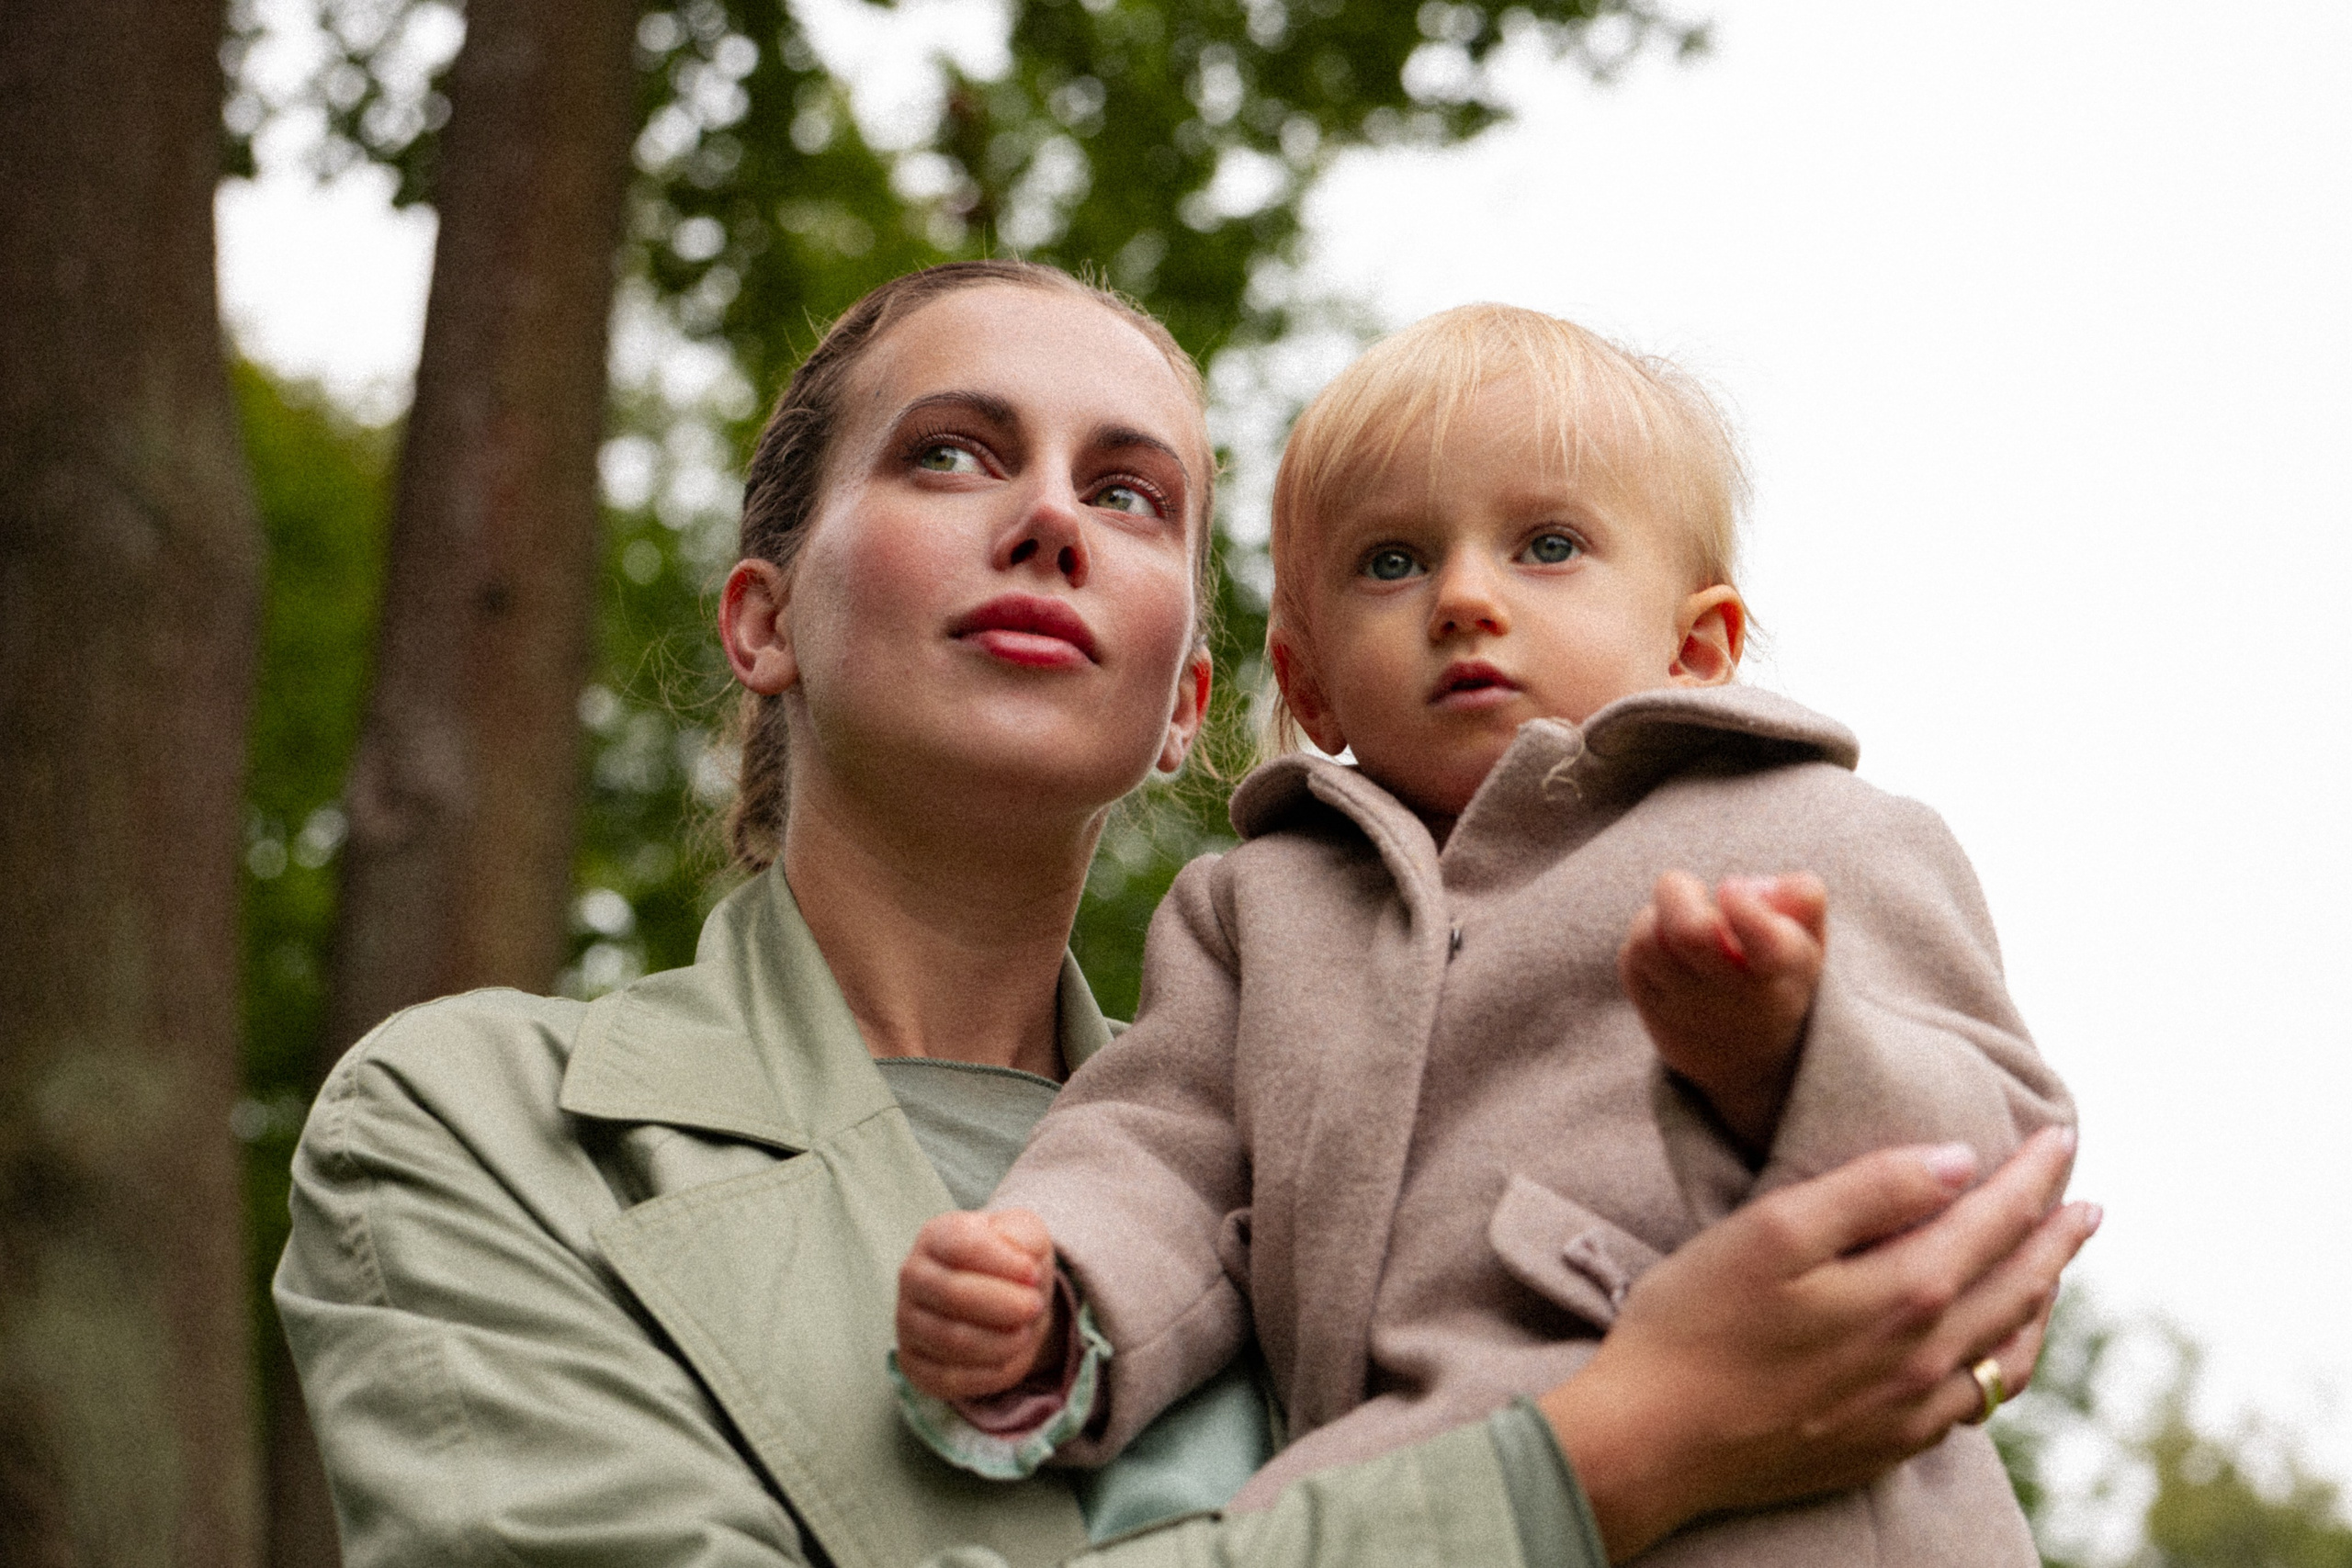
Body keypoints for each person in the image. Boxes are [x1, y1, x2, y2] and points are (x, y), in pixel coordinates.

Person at [276, 262, 2098, 1568]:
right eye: (953, 454)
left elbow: (1973, 1202)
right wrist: (1617, 1445)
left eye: (1128, 490)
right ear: (760, 617)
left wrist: (1819, 1111)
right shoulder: (484, 1127)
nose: (1052, 518)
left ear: (1190, 695)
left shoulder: (1772, 848)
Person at [892, 303, 2075, 1563]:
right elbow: (1160, 1150)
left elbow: (2001, 1165)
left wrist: (1783, 1052)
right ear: (1310, 686)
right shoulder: (1261, 908)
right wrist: (1057, 1291)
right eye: (1391, 563)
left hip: (1804, 1514)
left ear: (1698, 644)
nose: (1463, 597)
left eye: (1548, 546)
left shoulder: (1812, 831)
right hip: (1421, 1498)